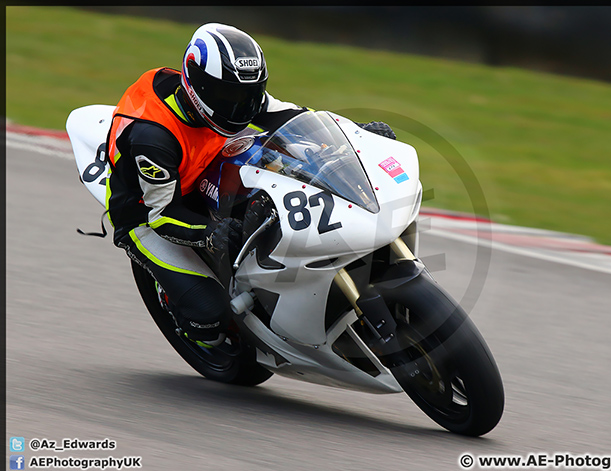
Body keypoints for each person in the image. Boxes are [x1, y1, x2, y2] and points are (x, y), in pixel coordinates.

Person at [105, 23, 395, 349]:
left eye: (250, 95)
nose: (242, 106)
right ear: (195, 86)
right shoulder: (153, 138)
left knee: (293, 169)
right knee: (210, 319)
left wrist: (357, 135)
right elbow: (161, 214)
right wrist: (207, 233)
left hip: (207, 166)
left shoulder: (239, 97)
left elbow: (295, 118)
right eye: (228, 96)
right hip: (148, 212)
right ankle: (186, 317)